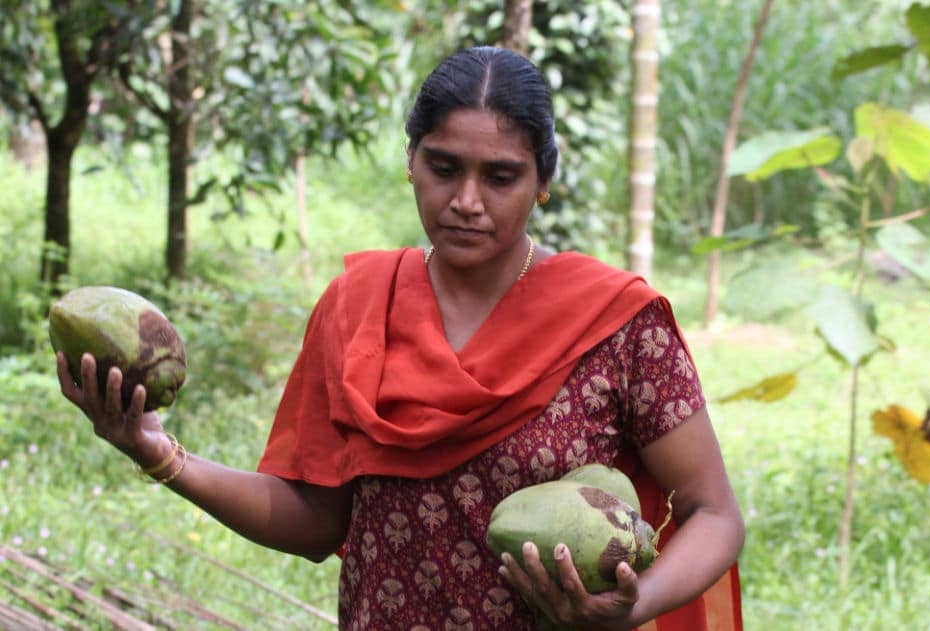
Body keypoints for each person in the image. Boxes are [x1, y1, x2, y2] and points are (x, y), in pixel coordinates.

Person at [57, 46, 745, 630]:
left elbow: (713, 513)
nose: (467, 201)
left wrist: (632, 605)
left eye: (500, 176)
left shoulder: (617, 323)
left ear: (543, 180)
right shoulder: (359, 307)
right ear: (412, 160)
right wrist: (158, 452)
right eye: (444, 168)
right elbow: (317, 518)